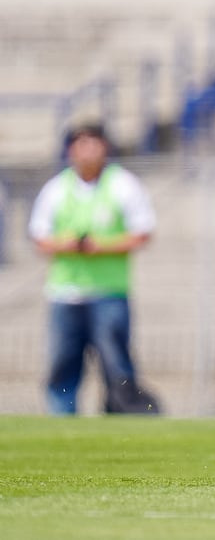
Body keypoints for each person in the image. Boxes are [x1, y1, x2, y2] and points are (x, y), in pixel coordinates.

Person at [28, 122, 159, 415]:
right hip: (66, 291)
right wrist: (70, 244)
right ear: (70, 150)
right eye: (80, 143)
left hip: (108, 291)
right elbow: (40, 237)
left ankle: (120, 415)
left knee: (116, 365)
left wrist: (100, 246)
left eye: (93, 142)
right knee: (63, 364)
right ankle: (62, 419)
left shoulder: (122, 184)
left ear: (105, 147)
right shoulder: (57, 188)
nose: (87, 150)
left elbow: (142, 232)